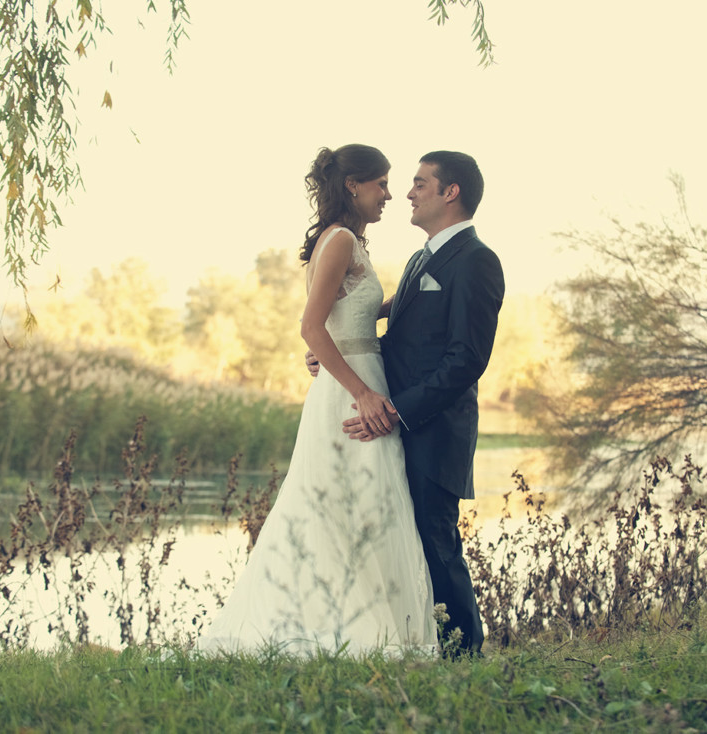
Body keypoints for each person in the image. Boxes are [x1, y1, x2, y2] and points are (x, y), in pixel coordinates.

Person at [195, 144, 437, 656]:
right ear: (353, 185)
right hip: (353, 394)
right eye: (381, 184)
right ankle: (353, 636)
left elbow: (344, 320)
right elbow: (310, 327)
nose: (390, 194)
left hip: (357, 377)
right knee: (347, 507)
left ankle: (364, 631)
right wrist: (363, 393)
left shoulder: (350, 241)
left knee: (366, 506)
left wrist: (415, 294)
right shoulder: (341, 240)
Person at [330, 151, 504, 655]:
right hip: (398, 421)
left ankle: (465, 654)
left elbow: (465, 359)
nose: (407, 193)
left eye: (420, 183)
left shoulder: (477, 261)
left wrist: (397, 410)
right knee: (402, 538)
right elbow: (406, 343)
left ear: (451, 193)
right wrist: (343, 360)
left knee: (436, 541)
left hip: (435, 428)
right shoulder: (419, 260)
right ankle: (419, 644)